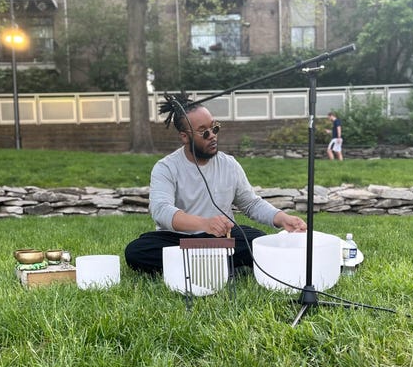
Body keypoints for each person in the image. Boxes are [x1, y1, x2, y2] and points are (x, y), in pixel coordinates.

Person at [125, 93, 307, 275]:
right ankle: (218, 262)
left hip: (222, 238)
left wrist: (283, 218)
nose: (212, 136)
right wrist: (204, 224)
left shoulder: (229, 164)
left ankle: (195, 264)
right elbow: (161, 210)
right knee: (137, 250)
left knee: (259, 241)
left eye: (214, 128)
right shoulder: (166, 167)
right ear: (184, 136)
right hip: (179, 239)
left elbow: (251, 204)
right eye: (204, 131)